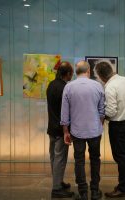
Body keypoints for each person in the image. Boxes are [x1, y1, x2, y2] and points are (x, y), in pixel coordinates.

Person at [60, 61, 105, 200]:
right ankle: (95, 191)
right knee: (95, 159)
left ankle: (83, 192)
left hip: (77, 131)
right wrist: (100, 125)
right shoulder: (98, 86)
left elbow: (64, 113)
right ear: (89, 71)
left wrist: (65, 131)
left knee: (79, 160)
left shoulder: (68, 87)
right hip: (94, 131)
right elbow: (102, 111)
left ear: (75, 71)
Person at [95, 61, 125, 198]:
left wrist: (99, 116)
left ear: (101, 76)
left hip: (119, 126)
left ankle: (123, 188)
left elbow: (111, 112)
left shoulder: (110, 87)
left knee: (121, 157)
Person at [46, 61, 74, 198]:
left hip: (51, 127)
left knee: (54, 157)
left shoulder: (51, 85)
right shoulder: (65, 88)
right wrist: (67, 130)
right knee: (60, 159)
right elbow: (67, 111)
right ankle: (56, 188)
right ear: (67, 74)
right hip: (61, 129)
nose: (72, 76)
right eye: (71, 74)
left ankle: (58, 182)